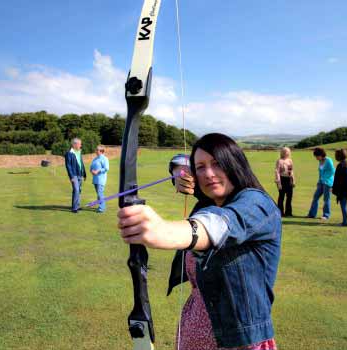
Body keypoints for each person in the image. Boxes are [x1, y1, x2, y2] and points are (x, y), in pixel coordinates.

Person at [118, 133, 281, 350]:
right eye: (200, 167)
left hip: (238, 341)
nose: (209, 173)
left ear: (234, 164)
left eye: (217, 163)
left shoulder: (257, 205)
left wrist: (163, 231)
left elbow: (220, 225)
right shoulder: (209, 203)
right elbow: (179, 163)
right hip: (194, 329)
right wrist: (178, 173)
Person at [307, 147, 335, 220]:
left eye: (317, 156)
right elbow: (320, 172)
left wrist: (326, 179)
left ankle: (326, 215)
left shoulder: (328, 160)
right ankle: (312, 214)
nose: (316, 158)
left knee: (326, 199)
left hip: (328, 183)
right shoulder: (320, 161)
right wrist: (319, 181)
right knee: (315, 197)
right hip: (321, 183)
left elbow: (333, 171)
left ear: (321, 154)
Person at [65, 138, 86, 213]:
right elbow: (68, 166)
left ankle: (77, 205)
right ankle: (74, 208)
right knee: (76, 190)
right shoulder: (69, 153)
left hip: (80, 174)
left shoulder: (79, 152)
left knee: (78, 190)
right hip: (74, 175)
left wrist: (84, 174)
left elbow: (81, 164)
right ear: (74, 144)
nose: (81, 145)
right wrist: (71, 177)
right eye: (80, 144)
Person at [275, 147, 295, 217]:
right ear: (282, 152)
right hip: (282, 179)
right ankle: (280, 212)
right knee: (281, 197)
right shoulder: (279, 161)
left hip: (289, 179)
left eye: (288, 152)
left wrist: (293, 180)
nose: (287, 153)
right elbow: (277, 172)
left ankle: (288, 213)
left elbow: (291, 171)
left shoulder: (290, 161)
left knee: (289, 197)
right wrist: (278, 182)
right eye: (285, 152)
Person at [90, 145, 109, 213]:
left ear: (101, 151)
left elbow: (106, 168)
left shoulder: (104, 158)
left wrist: (98, 171)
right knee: (98, 194)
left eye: (97, 150)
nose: (96, 151)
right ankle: (101, 206)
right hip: (95, 179)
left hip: (101, 179)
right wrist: (92, 170)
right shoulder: (95, 159)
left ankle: (102, 208)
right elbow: (91, 167)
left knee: (100, 193)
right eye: (96, 149)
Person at [332, 149, 347, 226]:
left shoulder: (340, 166)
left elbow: (337, 180)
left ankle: (345, 222)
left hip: (343, 190)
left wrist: (334, 189)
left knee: (343, 205)